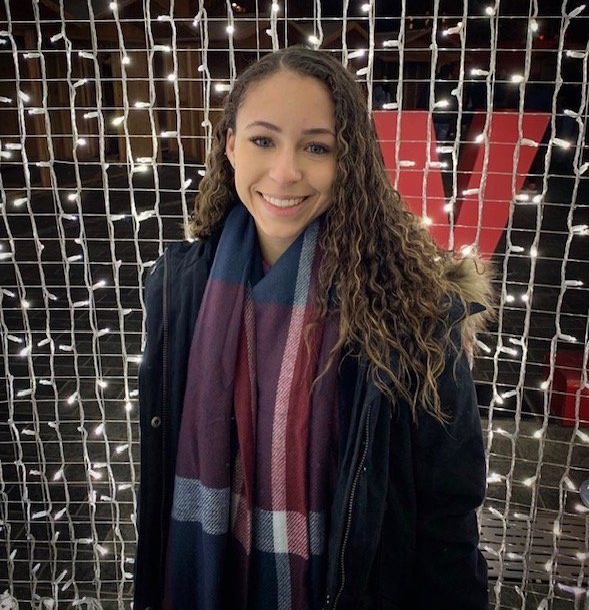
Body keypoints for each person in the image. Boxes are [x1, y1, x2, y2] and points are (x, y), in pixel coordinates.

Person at [134, 45, 492, 609]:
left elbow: (448, 511)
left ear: (346, 160)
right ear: (230, 145)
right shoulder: (178, 287)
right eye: (263, 140)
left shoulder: (414, 310)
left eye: (316, 147)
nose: (286, 171)